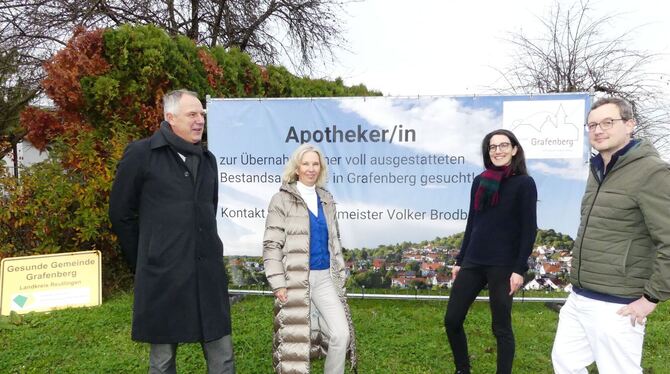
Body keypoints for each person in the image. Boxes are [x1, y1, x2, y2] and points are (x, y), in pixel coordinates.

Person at [109, 89, 234, 374]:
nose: (200, 120)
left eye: (202, 114)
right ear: (170, 117)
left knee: (223, 357)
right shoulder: (142, 154)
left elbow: (207, 211)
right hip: (163, 276)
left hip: (207, 275)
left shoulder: (207, 159)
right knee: (163, 362)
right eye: (192, 114)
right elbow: (121, 214)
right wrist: (144, 259)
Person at [551, 97, 670, 374]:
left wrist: (651, 298)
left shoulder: (652, 172)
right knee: (566, 363)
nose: (598, 130)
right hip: (580, 295)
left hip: (619, 303)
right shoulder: (597, 169)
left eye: (608, 122)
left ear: (630, 125)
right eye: (592, 124)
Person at [444, 129, 537, 374]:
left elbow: (529, 229)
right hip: (473, 261)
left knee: (501, 327)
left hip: (504, 265)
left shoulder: (524, 183)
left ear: (514, 149)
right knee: (452, 320)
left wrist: (519, 269)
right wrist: (460, 260)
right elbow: (472, 223)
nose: (498, 150)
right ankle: (462, 369)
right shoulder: (480, 181)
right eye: (493, 147)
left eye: (503, 145)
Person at [263, 143, 357, 374]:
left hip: (325, 278)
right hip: (294, 280)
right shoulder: (281, 200)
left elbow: (334, 241)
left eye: (315, 164)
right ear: (296, 168)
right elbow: (271, 244)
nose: (311, 168)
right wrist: (278, 282)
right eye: (306, 163)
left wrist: (339, 273)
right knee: (294, 346)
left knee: (341, 333)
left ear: (321, 168)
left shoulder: (326, 199)